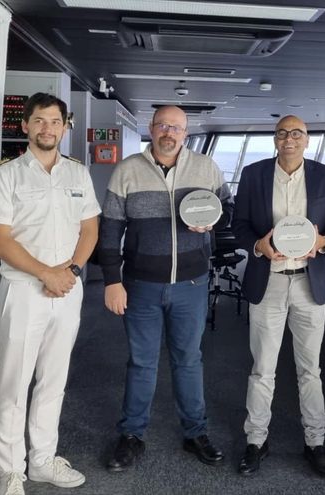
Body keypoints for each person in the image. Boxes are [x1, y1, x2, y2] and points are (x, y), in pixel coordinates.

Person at [0, 92, 100, 495]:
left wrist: (72, 272)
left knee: (54, 379)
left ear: (65, 127)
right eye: (40, 121)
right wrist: (46, 273)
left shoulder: (78, 174)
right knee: (14, 382)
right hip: (23, 289)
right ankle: (10, 469)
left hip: (67, 288)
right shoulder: (7, 174)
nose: (48, 128)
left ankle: (43, 460)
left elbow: (89, 229)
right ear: (25, 126)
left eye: (55, 121)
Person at [99, 105, 233, 472]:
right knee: (141, 362)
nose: (169, 132)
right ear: (151, 128)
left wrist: (213, 224)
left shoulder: (205, 168)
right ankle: (131, 435)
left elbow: (227, 208)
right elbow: (109, 230)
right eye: (162, 125)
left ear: (185, 132)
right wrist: (112, 280)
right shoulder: (127, 170)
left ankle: (195, 433)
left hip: (191, 283)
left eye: (176, 127)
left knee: (188, 361)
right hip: (140, 284)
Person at [230, 115, 325, 478]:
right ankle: (256, 440)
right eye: (282, 133)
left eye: (297, 133)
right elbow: (239, 224)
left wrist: (324, 241)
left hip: (310, 284)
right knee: (263, 368)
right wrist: (259, 246)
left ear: (307, 140)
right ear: (275, 139)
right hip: (270, 281)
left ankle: (315, 443)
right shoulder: (254, 174)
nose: (289, 139)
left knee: (311, 370)